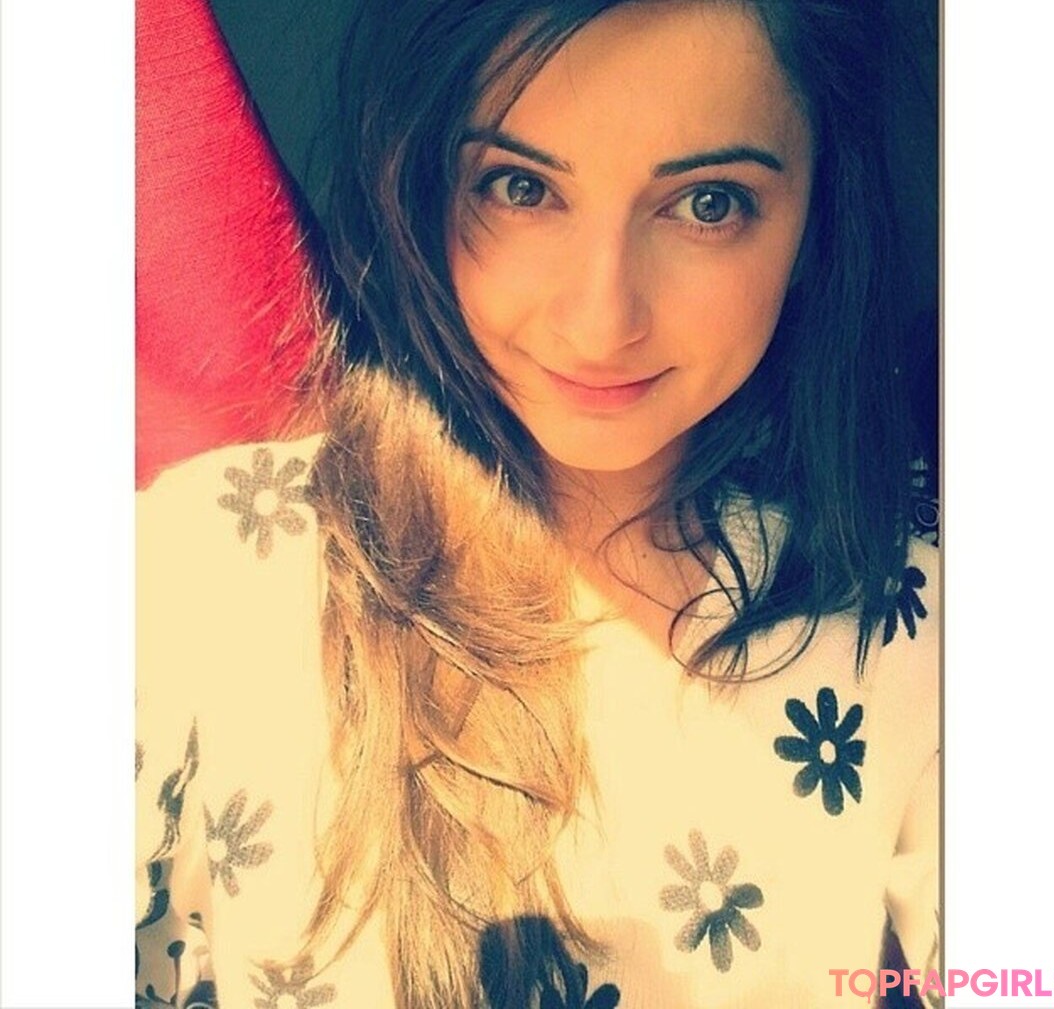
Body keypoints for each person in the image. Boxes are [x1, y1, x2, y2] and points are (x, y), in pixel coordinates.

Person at [136, 1, 939, 1006]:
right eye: (523, 188)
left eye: (707, 204)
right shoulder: (210, 568)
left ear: (818, 215)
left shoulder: (915, 608)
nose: (601, 321)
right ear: (422, 182)